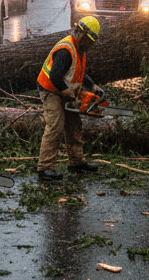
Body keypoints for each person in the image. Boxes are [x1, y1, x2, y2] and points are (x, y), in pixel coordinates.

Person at [36, 16, 102, 181]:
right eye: (89, 40)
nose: (90, 44)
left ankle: (76, 162)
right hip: (50, 89)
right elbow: (55, 76)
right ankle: (45, 168)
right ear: (81, 33)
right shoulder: (66, 49)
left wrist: (92, 86)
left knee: (74, 124)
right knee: (55, 126)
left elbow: (78, 72)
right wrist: (68, 94)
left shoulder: (79, 49)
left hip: (63, 88)